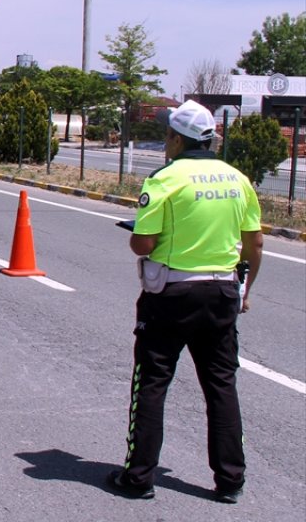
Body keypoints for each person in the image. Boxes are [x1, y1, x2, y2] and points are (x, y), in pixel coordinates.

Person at [106, 99, 263, 503]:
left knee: (153, 383)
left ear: (178, 139)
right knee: (221, 385)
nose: (165, 141)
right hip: (223, 291)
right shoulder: (237, 179)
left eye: (167, 135)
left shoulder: (165, 179)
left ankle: (139, 476)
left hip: (172, 295)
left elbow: (142, 242)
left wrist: (140, 233)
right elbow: (254, 241)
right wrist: (246, 290)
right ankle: (230, 481)